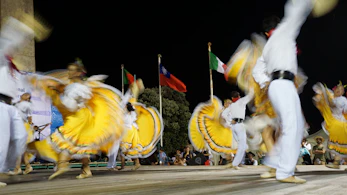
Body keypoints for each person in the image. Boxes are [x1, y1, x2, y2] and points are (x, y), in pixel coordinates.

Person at [252, 0, 314, 183]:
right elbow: (296, 10)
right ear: (278, 25)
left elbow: (257, 70)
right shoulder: (284, 32)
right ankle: (285, 172)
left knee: (296, 125)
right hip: (283, 84)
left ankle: (275, 163)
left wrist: (266, 83)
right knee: (291, 126)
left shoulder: (269, 45)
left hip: (278, 85)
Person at [0, 17, 39, 187]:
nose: (15, 49)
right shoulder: (1, 58)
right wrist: (25, 27)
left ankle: (6, 168)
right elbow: (6, 38)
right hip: (0, 103)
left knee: (21, 136)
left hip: (11, 106)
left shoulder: (11, 68)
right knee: (2, 141)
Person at [223, 90, 254, 169]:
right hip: (239, 125)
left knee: (242, 146)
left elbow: (223, 114)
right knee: (242, 146)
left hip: (234, 126)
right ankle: (235, 164)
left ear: (232, 98)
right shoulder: (241, 101)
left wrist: (230, 121)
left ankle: (236, 162)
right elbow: (250, 95)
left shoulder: (232, 106)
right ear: (239, 96)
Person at [8, 93, 35, 175]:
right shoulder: (17, 103)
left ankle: (17, 169)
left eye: (25, 95)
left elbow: (30, 116)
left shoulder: (27, 104)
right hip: (17, 125)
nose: (22, 95)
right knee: (22, 149)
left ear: (27, 97)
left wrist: (30, 125)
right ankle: (28, 166)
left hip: (22, 126)